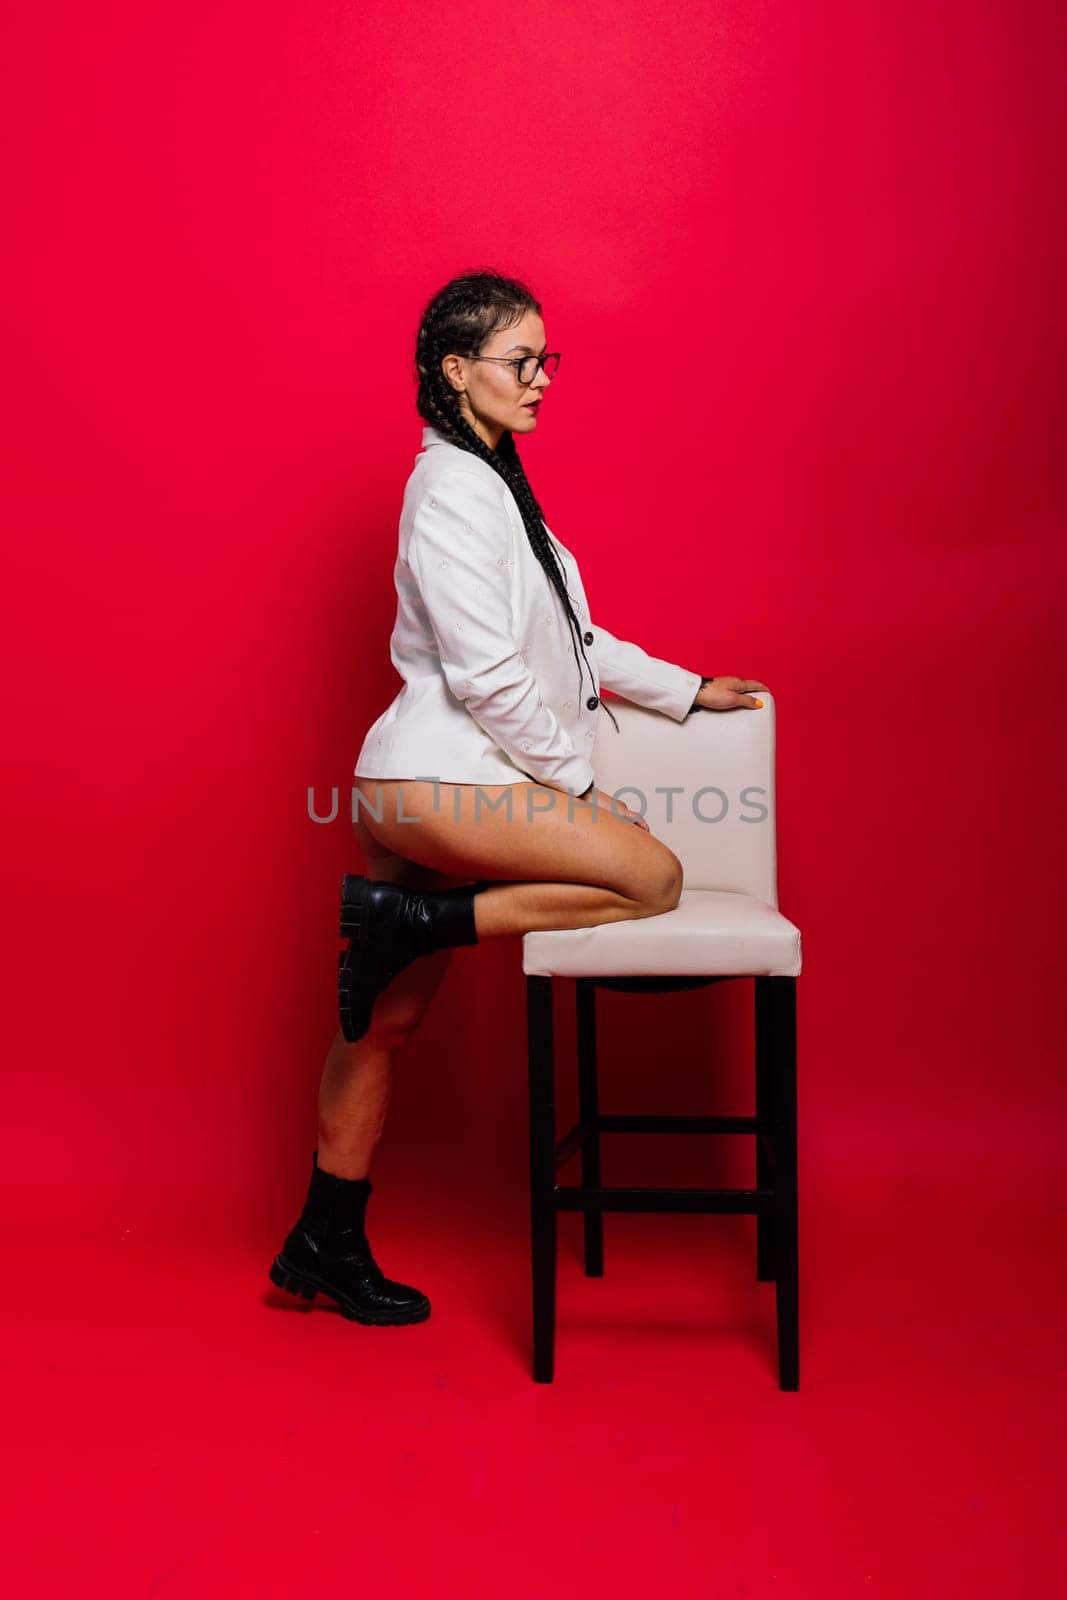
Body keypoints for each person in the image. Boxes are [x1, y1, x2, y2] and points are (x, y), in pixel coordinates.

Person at [269, 269, 767, 1327]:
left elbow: (570, 646)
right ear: (456, 373)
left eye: (547, 360)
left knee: (377, 1022)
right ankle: (424, 920)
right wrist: (585, 790)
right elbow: (491, 676)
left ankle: (322, 1237)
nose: (541, 380)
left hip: (434, 779)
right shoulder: (450, 489)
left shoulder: (492, 483)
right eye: (519, 361)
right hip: (434, 776)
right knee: (652, 874)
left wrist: (684, 688)